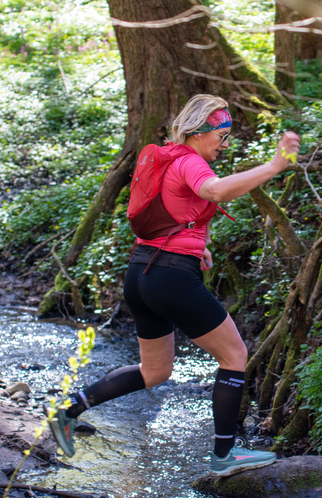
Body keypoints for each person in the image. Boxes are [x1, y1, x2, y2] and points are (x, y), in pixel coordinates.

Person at [48, 94, 301, 477]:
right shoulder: (189, 161)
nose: (224, 145)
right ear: (202, 132)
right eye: (223, 136)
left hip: (141, 273)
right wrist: (274, 165)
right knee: (234, 356)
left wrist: (198, 249)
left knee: (156, 371)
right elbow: (214, 191)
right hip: (169, 277)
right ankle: (224, 456)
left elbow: (177, 214)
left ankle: (68, 411)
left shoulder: (169, 159)